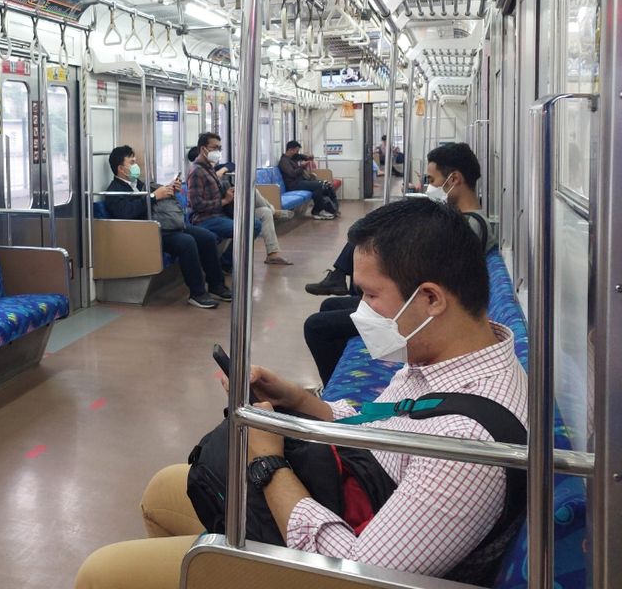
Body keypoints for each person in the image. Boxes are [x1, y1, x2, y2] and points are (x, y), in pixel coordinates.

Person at [75, 199, 526, 589]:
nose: (362, 310)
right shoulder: (441, 360)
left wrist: (267, 464)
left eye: (371, 294)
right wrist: (297, 399)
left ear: (431, 298)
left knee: (102, 573)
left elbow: (352, 572)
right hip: (360, 494)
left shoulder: (467, 446)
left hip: (338, 567)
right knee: (161, 491)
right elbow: (381, 423)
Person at [303, 143, 495, 384]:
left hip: (418, 298)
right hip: (416, 291)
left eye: (433, 180)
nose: (430, 186)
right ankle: (338, 278)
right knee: (331, 305)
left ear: (454, 179)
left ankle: (339, 277)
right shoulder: (460, 221)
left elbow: (418, 270)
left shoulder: (468, 227)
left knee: (316, 326)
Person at [104, 145, 230, 306]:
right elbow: (126, 213)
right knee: (187, 242)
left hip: (164, 225)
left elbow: (155, 199)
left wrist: (169, 189)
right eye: (132, 162)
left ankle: (216, 284)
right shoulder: (114, 191)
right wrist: (153, 196)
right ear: (121, 168)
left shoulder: (139, 183)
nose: (136, 165)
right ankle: (197, 293)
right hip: (148, 232)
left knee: (207, 237)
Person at [186, 133, 292, 266]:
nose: (218, 152)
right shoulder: (197, 171)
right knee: (250, 226)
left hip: (221, 213)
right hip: (206, 218)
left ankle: (272, 254)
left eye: (220, 148)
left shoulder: (210, 168)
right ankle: (227, 261)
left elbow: (231, 166)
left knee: (264, 212)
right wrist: (225, 200)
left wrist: (228, 195)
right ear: (203, 149)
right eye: (215, 148)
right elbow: (196, 205)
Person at [279, 140, 339, 220]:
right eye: (296, 151)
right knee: (320, 185)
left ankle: (332, 209)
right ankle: (318, 211)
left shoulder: (293, 157)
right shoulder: (284, 161)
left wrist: (308, 157)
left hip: (301, 182)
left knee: (325, 185)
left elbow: (304, 157)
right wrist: (302, 167)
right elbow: (292, 174)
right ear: (290, 150)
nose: (297, 153)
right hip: (294, 185)